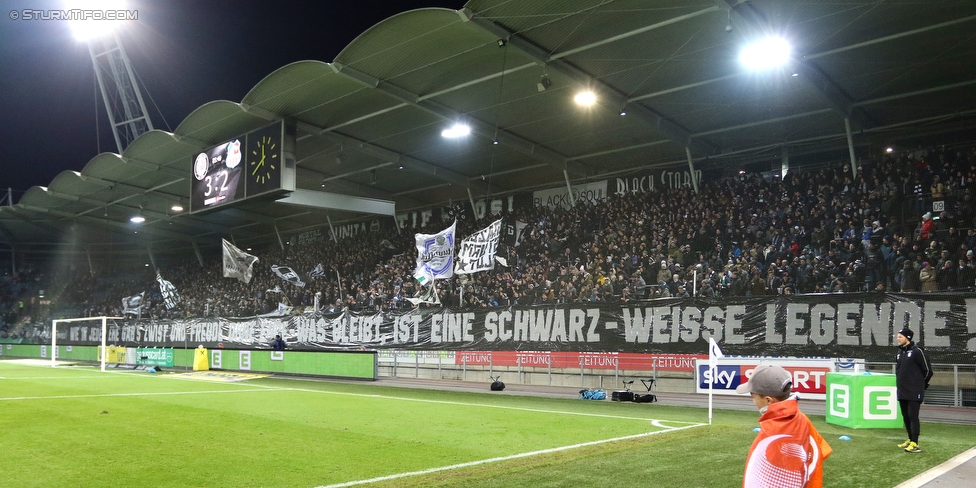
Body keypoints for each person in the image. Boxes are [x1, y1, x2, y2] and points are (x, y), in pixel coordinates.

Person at [737, 364, 832, 487]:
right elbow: (822, 450)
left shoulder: (773, 431)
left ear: (768, 400)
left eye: (753, 396)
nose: (753, 401)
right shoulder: (801, 418)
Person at [895, 327, 933, 453]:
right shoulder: (900, 352)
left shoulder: (917, 351)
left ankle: (915, 443)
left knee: (913, 416)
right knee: (905, 416)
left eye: (900, 336)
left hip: (914, 391)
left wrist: (921, 385)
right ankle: (910, 439)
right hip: (902, 390)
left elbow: (928, 371)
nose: (897, 338)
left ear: (908, 338)